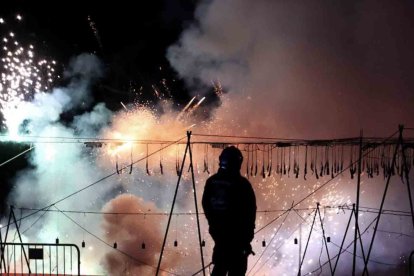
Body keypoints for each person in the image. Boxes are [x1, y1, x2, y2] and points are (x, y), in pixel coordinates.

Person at [202, 146, 256, 276]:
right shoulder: (242, 184)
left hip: (219, 235)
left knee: (220, 267)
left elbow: (206, 205)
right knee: (236, 270)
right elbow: (250, 212)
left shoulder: (212, 182)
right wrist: (247, 238)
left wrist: (213, 225)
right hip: (238, 239)